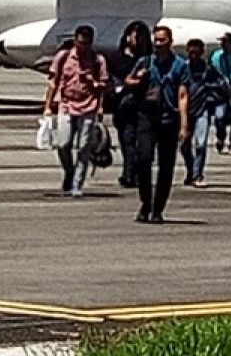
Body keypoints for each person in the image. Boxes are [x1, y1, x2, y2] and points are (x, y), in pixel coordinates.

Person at [126, 25, 189, 223]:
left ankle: (158, 209)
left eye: (162, 40)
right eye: (156, 40)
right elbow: (128, 80)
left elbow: (183, 95)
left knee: (166, 165)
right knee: (143, 159)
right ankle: (145, 202)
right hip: (147, 116)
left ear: (170, 42)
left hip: (169, 118)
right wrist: (138, 80)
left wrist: (184, 125)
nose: (158, 44)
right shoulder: (145, 61)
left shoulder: (180, 65)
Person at [41, 24, 110, 198]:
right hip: (66, 104)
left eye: (86, 44)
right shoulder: (63, 57)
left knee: (84, 147)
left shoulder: (97, 60)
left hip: (88, 106)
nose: (83, 48)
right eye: (80, 44)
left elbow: (104, 85)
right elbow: (53, 82)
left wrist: (93, 84)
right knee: (63, 143)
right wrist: (48, 106)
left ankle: (77, 184)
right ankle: (69, 171)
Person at [107, 20, 151, 189]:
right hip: (123, 106)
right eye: (134, 36)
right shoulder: (118, 59)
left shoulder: (147, 60)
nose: (136, 40)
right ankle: (130, 173)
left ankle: (132, 173)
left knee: (140, 143)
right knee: (127, 141)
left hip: (143, 106)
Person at [180, 38, 222, 187]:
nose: (194, 56)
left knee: (201, 144)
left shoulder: (208, 69)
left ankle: (198, 174)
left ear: (202, 52)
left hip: (202, 110)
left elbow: (221, 83)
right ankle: (191, 169)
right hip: (184, 111)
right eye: (191, 52)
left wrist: (211, 93)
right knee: (184, 146)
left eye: (197, 52)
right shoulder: (182, 68)